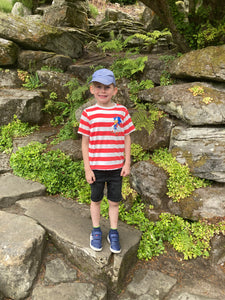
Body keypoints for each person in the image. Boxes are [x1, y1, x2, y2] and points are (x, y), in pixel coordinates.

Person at [78, 68, 135, 253]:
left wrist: (126, 163)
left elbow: (127, 137)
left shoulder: (122, 111)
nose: (103, 91)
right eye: (98, 86)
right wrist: (88, 168)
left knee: (114, 202)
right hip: (96, 168)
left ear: (115, 90)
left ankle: (113, 231)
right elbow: (85, 143)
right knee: (95, 200)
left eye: (107, 87)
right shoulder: (88, 113)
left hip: (116, 169)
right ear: (92, 89)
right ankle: (96, 230)